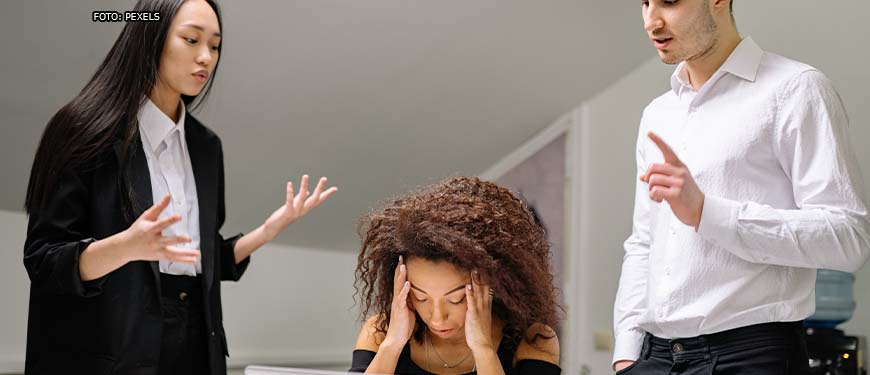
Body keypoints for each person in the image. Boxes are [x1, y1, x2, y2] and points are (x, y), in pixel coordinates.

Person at [23, 1, 336, 374]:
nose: (205, 57)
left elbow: (195, 258)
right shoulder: (82, 131)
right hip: (111, 349)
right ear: (151, 37)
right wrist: (124, 246)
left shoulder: (206, 147)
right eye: (191, 39)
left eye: (215, 45)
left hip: (196, 346)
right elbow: (44, 261)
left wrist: (267, 232)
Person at [613, 0, 870, 374]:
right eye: (644, 2)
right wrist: (627, 352)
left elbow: (849, 238)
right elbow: (643, 242)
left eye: (668, 2)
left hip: (752, 356)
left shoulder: (796, 90)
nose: (651, 21)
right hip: (654, 357)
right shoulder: (658, 113)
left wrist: (708, 213)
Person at [350, 177, 561, 375]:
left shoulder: (535, 340)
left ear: (491, 282)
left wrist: (484, 349)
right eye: (421, 297)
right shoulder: (380, 333)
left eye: (456, 299)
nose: (437, 316)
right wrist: (392, 346)